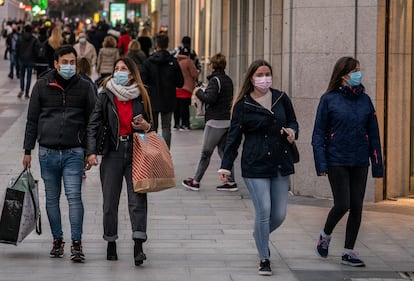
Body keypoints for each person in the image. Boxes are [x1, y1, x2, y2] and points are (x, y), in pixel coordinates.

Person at [218, 59, 299, 276]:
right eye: (260, 74)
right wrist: (225, 166)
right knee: (263, 210)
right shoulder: (243, 105)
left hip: (281, 162)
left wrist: (292, 132)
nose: (264, 78)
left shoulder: (281, 98)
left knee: (279, 214)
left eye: (267, 73)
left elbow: (293, 121)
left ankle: (259, 235)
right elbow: (233, 139)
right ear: (252, 78)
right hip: (255, 164)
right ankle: (264, 257)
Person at [22, 45, 96, 263]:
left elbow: (93, 121)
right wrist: (27, 150)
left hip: (74, 151)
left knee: (74, 198)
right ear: (55, 63)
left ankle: (76, 243)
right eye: (64, 62)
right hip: (47, 152)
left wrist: (91, 151)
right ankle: (57, 240)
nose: (69, 66)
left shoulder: (84, 86)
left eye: (72, 62)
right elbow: (32, 120)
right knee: (51, 199)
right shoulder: (42, 85)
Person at [312, 56, 384, 267]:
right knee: (343, 203)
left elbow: (374, 134)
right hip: (337, 160)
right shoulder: (328, 100)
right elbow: (318, 134)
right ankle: (325, 236)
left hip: (360, 160)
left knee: (357, 206)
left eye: (359, 70)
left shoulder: (365, 100)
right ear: (343, 75)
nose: (358, 74)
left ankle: (349, 252)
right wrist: (321, 163)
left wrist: (377, 165)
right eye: (355, 71)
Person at [85, 57, 153, 266]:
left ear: (132, 73)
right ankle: (111, 242)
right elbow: (93, 124)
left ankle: (138, 245)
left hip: (136, 152)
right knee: (110, 201)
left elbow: (152, 124)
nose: (119, 72)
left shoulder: (141, 95)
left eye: (124, 69)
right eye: (117, 69)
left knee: (137, 199)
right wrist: (91, 152)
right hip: (113, 152)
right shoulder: (106, 94)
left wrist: (145, 126)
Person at [182, 53, 238, 192]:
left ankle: (195, 181)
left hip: (215, 122)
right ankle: (230, 182)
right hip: (226, 120)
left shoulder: (215, 80)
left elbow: (210, 99)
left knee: (206, 153)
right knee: (224, 152)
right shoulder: (228, 80)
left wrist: (199, 92)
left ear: (213, 66)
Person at [140, 34, 184, 148]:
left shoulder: (148, 62)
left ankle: (153, 152)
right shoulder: (173, 61)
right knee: (166, 126)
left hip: (152, 98)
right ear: (167, 44)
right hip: (168, 98)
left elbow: (142, 81)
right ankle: (165, 152)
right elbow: (180, 82)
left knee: (152, 127)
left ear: (156, 45)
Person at [173, 47, 199, 131]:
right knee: (185, 107)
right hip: (186, 88)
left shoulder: (176, 61)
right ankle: (185, 124)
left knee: (177, 107)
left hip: (176, 88)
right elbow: (194, 74)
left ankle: (176, 124)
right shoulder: (188, 61)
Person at [16, 24, 37, 98]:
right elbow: (35, 51)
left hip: (22, 60)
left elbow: (17, 49)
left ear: (24, 30)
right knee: (28, 77)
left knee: (22, 76)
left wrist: (18, 57)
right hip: (30, 60)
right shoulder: (34, 39)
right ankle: (27, 93)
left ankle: (22, 89)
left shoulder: (20, 38)